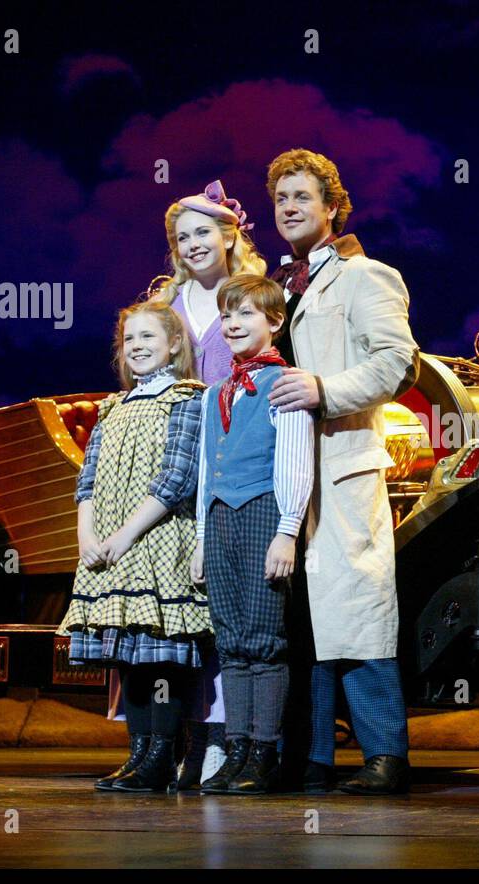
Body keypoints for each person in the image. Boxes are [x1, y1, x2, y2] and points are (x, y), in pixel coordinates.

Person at [265, 148, 419, 794]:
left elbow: (398, 362)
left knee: (355, 611)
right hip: (289, 472)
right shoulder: (281, 286)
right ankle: (313, 758)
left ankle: (385, 755)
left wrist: (322, 388)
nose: (290, 208)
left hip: (343, 466)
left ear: (333, 207)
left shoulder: (364, 277)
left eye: (302, 196)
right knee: (305, 619)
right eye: (281, 199)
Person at [144, 179, 266, 787]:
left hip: (228, 464)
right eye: (181, 236)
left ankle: (220, 740)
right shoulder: (166, 308)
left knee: (221, 610)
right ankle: (161, 741)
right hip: (170, 463)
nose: (192, 244)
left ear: (229, 236)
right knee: (166, 611)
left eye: (202, 232)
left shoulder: (249, 304)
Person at [59, 301, 210, 792]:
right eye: (129, 340)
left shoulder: (186, 400)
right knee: (130, 657)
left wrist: (125, 535)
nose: (137, 347)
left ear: (173, 345)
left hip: (156, 543)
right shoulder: (112, 408)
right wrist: (88, 536)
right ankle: (138, 754)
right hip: (107, 546)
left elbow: (178, 477)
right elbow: (87, 480)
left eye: (148, 337)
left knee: (158, 654)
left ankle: (162, 757)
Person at [192, 274, 314, 794]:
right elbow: (204, 473)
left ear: (274, 322)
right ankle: (236, 750)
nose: (234, 323)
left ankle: (264, 754)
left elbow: (294, 461)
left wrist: (287, 531)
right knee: (233, 642)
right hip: (220, 519)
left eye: (245, 314)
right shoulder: (215, 393)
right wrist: (200, 538)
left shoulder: (284, 383)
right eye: (227, 315)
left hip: (264, 512)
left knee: (264, 642)